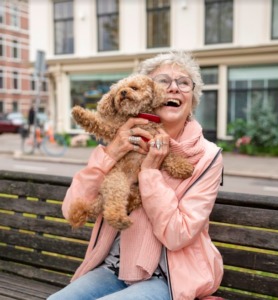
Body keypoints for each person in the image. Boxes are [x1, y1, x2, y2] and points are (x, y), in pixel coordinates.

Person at [47, 52, 224, 300]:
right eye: (163, 81)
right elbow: (71, 210)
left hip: (169, 278)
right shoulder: (123, 138)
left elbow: (178, 235)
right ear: (149, 95)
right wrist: (111, 152)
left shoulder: (207, 156)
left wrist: (150, 172)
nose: (174, 88)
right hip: (114, 269)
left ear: (192, 99)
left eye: (184, 83)